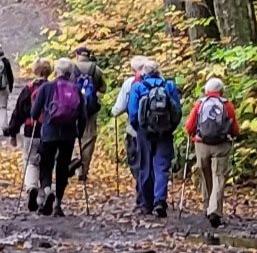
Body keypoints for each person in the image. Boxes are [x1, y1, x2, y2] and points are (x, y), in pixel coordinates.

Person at [30, 57, 87, 217]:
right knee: (62, 168)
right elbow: (82, 116)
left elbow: (34, 113)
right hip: (68, 135)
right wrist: (79, 133)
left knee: (45, 165)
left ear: (56, 72)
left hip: (49, 132)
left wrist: (39, 116)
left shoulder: (47, 88)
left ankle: (47, 189)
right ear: (70, 73)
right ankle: (58, 203)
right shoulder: (76, 89)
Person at [127, 60, 182, 217]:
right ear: (159, 71)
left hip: (144, 132)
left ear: (144, 73)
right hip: (165, 132)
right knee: (162, 167)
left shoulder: (138, 87)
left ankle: (147, 204)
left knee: (145, 166)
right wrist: (170, 127)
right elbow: (177, 110)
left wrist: (139, 128)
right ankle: (160, 201)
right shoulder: (169, 86)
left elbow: (133, 113)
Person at [185, 77, 240, 228]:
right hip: (221, 145)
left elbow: (189, 126)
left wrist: (192, 135)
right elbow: (234, 128)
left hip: (202, 144)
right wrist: (233, 136)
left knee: (205, 173)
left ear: (207, 91)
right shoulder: (227, 105)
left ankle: (207, 205)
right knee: (218, 176)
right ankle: (214, 210)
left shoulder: (200, 104)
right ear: (221, 91)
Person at [5, 58, 52, 212]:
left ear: (34, 71)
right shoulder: (53, 89)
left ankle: (32, 187)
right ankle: (45, 192)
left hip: (31, 131)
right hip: (50, 132)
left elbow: (18, 112)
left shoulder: (29, 89)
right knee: (47, 164)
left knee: (31, 162)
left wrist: (13, 132)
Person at [69, 45, 107, 182]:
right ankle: (83, 171)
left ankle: (73, 159)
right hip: (90, 109)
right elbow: (103, 89)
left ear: (77, 55)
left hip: (71, 108)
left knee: (68, 135)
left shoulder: (71, 68)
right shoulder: (96, 70)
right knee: (88, 139)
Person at [111, 55, 148, 187]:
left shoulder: (130, 83)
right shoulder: (160, 81)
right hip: (157, 131)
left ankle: (141, 193)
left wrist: (114, 112)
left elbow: (119, 108)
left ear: (133, 69)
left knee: (136, 161)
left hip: (135, 130)